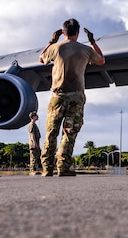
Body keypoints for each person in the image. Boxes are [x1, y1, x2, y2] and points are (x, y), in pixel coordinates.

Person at [39, 18, 105, 177]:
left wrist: (51, 41)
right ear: (77, 32)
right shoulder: (86, 50)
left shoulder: (55, 48)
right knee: (69, 133)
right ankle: (63, 166)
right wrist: (92, 42)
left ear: (63, 33)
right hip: (76, 96)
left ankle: (47, 168)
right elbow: (101, 60)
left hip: (57, 96)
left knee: (51, 132)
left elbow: (41, 58)